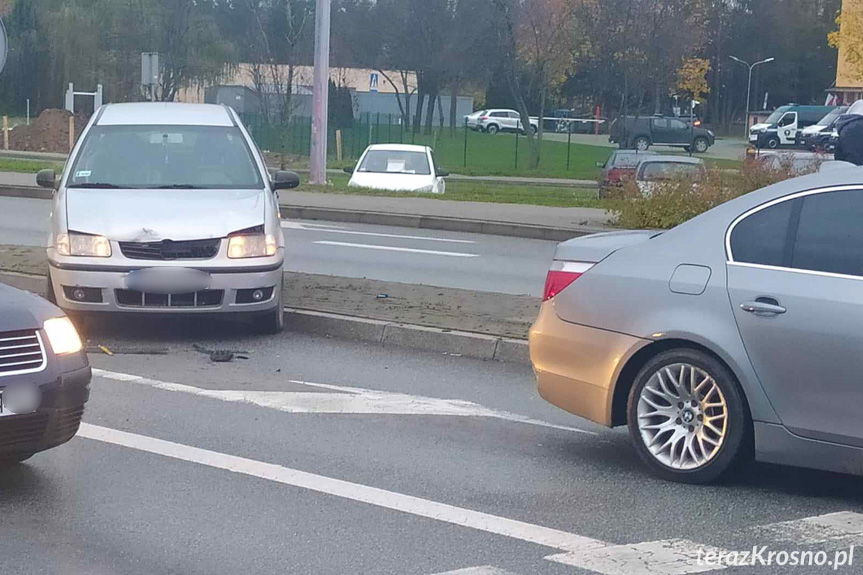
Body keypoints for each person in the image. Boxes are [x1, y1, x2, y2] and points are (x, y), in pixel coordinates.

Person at [834, 99, 863, 165]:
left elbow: (838, 154)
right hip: (856, 167)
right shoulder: (858, 128)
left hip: (846, 167)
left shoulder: (845, 126)